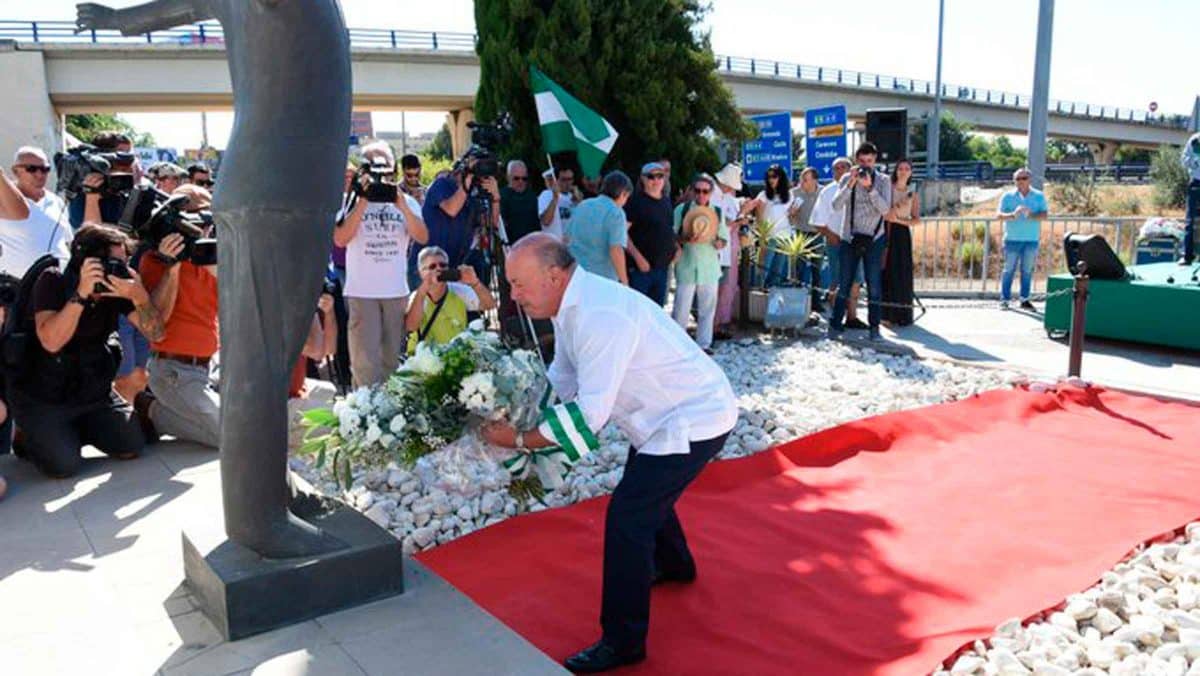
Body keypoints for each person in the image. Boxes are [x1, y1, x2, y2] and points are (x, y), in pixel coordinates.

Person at [482, 234, 737, 674]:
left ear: (555, 275)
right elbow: (563, 372)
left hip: (693, 418)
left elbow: (591, 413)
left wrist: (520, 441)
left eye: (519, 284)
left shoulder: (598, 313)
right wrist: (526, 415)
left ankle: (623, 642)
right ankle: (675, 564)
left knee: (628, 516)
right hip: (664, 416)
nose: (514, 295)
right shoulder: (571, 303)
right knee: (644, 493)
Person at [8, 223, 165, 477]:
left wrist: (140, 296)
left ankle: (72, 431)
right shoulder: (54, 279)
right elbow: (51, 342)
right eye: (114, 263)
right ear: (88, 261)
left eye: (124, 262)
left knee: (131, 446)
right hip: (45, 394)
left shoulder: (118, 287)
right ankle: (31, 434)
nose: (120, 270)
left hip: (93, 390)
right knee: (63, 467)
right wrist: (82, 294)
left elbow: (156, 334)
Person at [335, 141, 429, 387]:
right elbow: (341, 239)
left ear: (393, 170)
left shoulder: (407, 202)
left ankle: (391, 416)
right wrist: (363, 199)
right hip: (362, 291)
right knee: (365, 362)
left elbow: (422, 236)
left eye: (384, 168)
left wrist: (400, 204)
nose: (379, 175)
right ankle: (364, 414)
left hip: (395, 291)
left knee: (392, 361)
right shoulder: (350, 200)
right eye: (373, 167)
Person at [135, 183, 221, 447]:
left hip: (211, 367)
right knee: (233, 436)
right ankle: (153, 411)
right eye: (199, 217)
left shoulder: (212, 256)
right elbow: (156, 324)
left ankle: (162, 413)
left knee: (246, 423)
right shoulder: (154, 259)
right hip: (174, 370)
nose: (205, 225)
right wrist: (172, 267)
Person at [830, 142, 892, 341]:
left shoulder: (883, 180)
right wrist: (850, 185)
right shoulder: (848, 178)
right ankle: (835, 324)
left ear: (875, 161)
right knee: (845, 282)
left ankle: (874, 328)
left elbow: (885, 210)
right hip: (850, 238)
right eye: (862, 161)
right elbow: (836, 205)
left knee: (874, 285)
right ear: (856, 161)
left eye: (870, 161)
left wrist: (870, 188)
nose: (866, 165)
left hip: (874, 239)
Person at [404, 245, 496, 354]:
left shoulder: (459, 291)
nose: (438, 269)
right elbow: (411, 326)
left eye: (443, 265)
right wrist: (422, 291)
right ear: (421, 273)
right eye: (432, 266)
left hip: (456, 355)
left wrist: (475, 283)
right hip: (426, 358)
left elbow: (489, 305)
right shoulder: (417, 297)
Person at [420, 157, 501, 278]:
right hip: (430, 265)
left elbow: (491, 223)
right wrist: (467, 180)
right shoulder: (441, 184)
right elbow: (452, 210)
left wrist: (495, 197)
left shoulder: (472, 195)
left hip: (454, 263)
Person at [672, 175, 726, 354]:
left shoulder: (717, 212)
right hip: (686, 264)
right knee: (681, 307)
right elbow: (672, 235)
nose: (701, 195)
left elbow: (723, 238)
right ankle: (677, 345)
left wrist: (719, 243)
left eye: (705, 191)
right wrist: (685, 239)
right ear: (692, 191)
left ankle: (704, 344)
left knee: (707, 309)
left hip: (709, 266)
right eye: (697, 190)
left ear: (711, 193)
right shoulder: (682, 209)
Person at [810, 157, 866, 327]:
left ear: (851, 169)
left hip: (857, 240)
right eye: (836, 168)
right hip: (836, 241)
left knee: (856, 280)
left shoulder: (862, 187)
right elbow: (816, 221)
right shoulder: (827, 192)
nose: (840, 170)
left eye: (844, 167)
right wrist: (830, 235)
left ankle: (852, 317)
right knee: (837, 280)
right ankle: (836, 316)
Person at [0, 147, 72, 276]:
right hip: (17, 284)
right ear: (16, 171)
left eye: (45, 169)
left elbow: (66, 240)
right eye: (31, 169)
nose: (39, 175)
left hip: (57, 282)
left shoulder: (56, 201)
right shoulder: (4, 201)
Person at [623, 162, 677, 306]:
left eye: (660, 176)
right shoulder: (634, 202)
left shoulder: (666, 201)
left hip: (662, 268)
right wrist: (638, 257)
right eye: (651, 176)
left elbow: (668, 229)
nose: (656, 180)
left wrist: (676, 247)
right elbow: (622, 233)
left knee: (657, 313)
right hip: (641, 270)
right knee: (638, 311)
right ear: (643, 179)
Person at [564, 171, 632, 283]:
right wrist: (625, 282)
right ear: (623, 194)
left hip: (576, 275)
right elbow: (616, 249)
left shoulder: (583, 205)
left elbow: (566, 239)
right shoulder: (616, 213)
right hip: (601, 280)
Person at [997, 167, 1048, 310]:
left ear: (1029, 180)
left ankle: (1024, 300)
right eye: (1017, 179)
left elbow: (1044, 215)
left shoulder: (1038, 196)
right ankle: (1004, 300)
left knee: (1027, 271)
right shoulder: (1007, 196)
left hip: (1031, 240)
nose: (1020, 181)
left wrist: (1031, 215)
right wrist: (1012, 215)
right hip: (1011, 240)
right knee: (1008, 271)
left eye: (1024, 178)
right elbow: (998, 216)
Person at [70, 131, 137, 230]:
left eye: (129, 155)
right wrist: (92, 196)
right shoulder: (83, 190)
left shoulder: (128, 187)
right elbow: (89, 230)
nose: (127, 161)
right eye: (120, 154)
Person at [741, 164, 793, 287]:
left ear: (781, 178)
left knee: (778, 270)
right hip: (769, 237)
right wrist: (761, 237)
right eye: (769, 177)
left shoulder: (790, 195)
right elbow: (759, 218)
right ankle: (759, 291)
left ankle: (772, 294)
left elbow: (790, 217)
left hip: (785, 237)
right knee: (764, 267)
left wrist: (793, 214)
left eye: (774, 176)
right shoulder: (763, 195)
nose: (771, 180)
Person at [881, 159, 919, 325]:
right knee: (886, 271)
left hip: (902, 234)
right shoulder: (887, 189)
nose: (903, 171)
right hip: (885, 231)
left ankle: (902, 315)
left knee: (902, 273)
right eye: (900, 168)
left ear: (911, 172)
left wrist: (899, 220)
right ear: (896, 171)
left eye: (907, 169)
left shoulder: (913, 194)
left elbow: (916, 220)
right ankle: (886, 315)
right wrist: (892, 217)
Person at [712, 163, 746, 336]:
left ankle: (718, 324)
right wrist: (737, 222)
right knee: (714, 289)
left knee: (724, 286)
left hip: (726, 250)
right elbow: (718, 224)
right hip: (715, 250)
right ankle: (713, 326)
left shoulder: (726, 198)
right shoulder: (713, 196)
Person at [788, 167, 824, 310]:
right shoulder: (794, 193)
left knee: (817, 270)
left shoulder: (823, 193)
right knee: (799, 269)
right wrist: (792, 213)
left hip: (818, 234)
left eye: (805, 179)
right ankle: (798, 302)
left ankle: (816, 302)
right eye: (801, 179)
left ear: (815, 180)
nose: (801, 182)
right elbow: (788, 217)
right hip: (800, 234)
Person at [498, 160, 541, 245]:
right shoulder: (501, 197)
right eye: (516, 178)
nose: (520, 181)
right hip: (512, 247)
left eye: (524, 179)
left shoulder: (532, 196)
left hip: (533, 245)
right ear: (508, 177)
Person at [537, 165, 577, 240]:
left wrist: (580, 203)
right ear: (556, 180)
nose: (568, 183)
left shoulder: (574, 197)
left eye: (570, 179)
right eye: (564, 179)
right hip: (554, 245)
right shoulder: (547, 194)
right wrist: (555, 198)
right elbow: (545, 221)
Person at [1179, 132, 1199, 264]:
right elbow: (1183, 160)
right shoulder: (1195, 139)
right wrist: (1195, 161)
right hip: (1196, 182)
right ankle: (1187, 256)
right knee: (1190, 221)